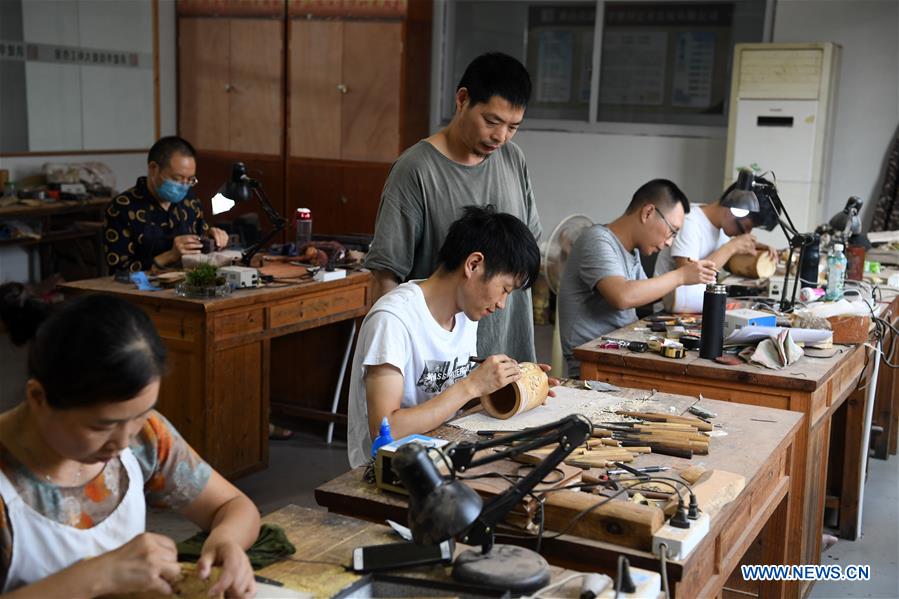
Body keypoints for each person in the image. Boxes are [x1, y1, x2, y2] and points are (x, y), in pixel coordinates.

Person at [0, 291, 260, 598]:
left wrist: (226, 540)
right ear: (38, 398)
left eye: (140, 415)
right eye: (102, 425)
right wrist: (97, 575)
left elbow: (232, 506)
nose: (123, 443)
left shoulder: (145, 437)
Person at [364, 52, 543, 363]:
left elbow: (527, 252)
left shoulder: (513, 159)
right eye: (491, 121)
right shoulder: (415, 170)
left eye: (513, 126)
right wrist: (396, 362)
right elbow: (386, 277)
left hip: (509, 348)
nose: (500, 137)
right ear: (462, 100)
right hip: (440, 362)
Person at [348, 206, 546, 468]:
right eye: (505, 289)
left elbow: (449, 398)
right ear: (473, 264)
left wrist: (513, 386)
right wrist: (472, 385)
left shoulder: (464, 315)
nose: (502, 304)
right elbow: (386, 431)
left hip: (442, 452)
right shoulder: (393, 320)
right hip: (389, 472)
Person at [558, 180, 718, 377]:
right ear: (648, 212)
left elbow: (646, 294)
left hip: (620, 355)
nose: (669, 242)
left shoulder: (631, 252)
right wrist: (681, 275)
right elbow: (623, 296)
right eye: (672, 231)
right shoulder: (596, 240)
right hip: (595, 364)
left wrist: (686, 274)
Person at [103, 136, 229, 273]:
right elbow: (119, 272)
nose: (184, 186)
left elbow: (201, 242)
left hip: (187, 287)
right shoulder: (123, 208)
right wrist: (169, 256)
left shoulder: (190, 202)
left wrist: (212, 237)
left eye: (190, 180)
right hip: (141, 291)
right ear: (153, 169)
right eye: (177, 179)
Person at [653, 190, 775, 310]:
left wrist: (756, 252)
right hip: (670, 309)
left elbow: (726, 262)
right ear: (735, 209)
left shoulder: (722, 229)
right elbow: (688, 277)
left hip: (697, 306)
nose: (746, 233)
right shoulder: (690, 221)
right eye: (746, 227)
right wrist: (732, 247)